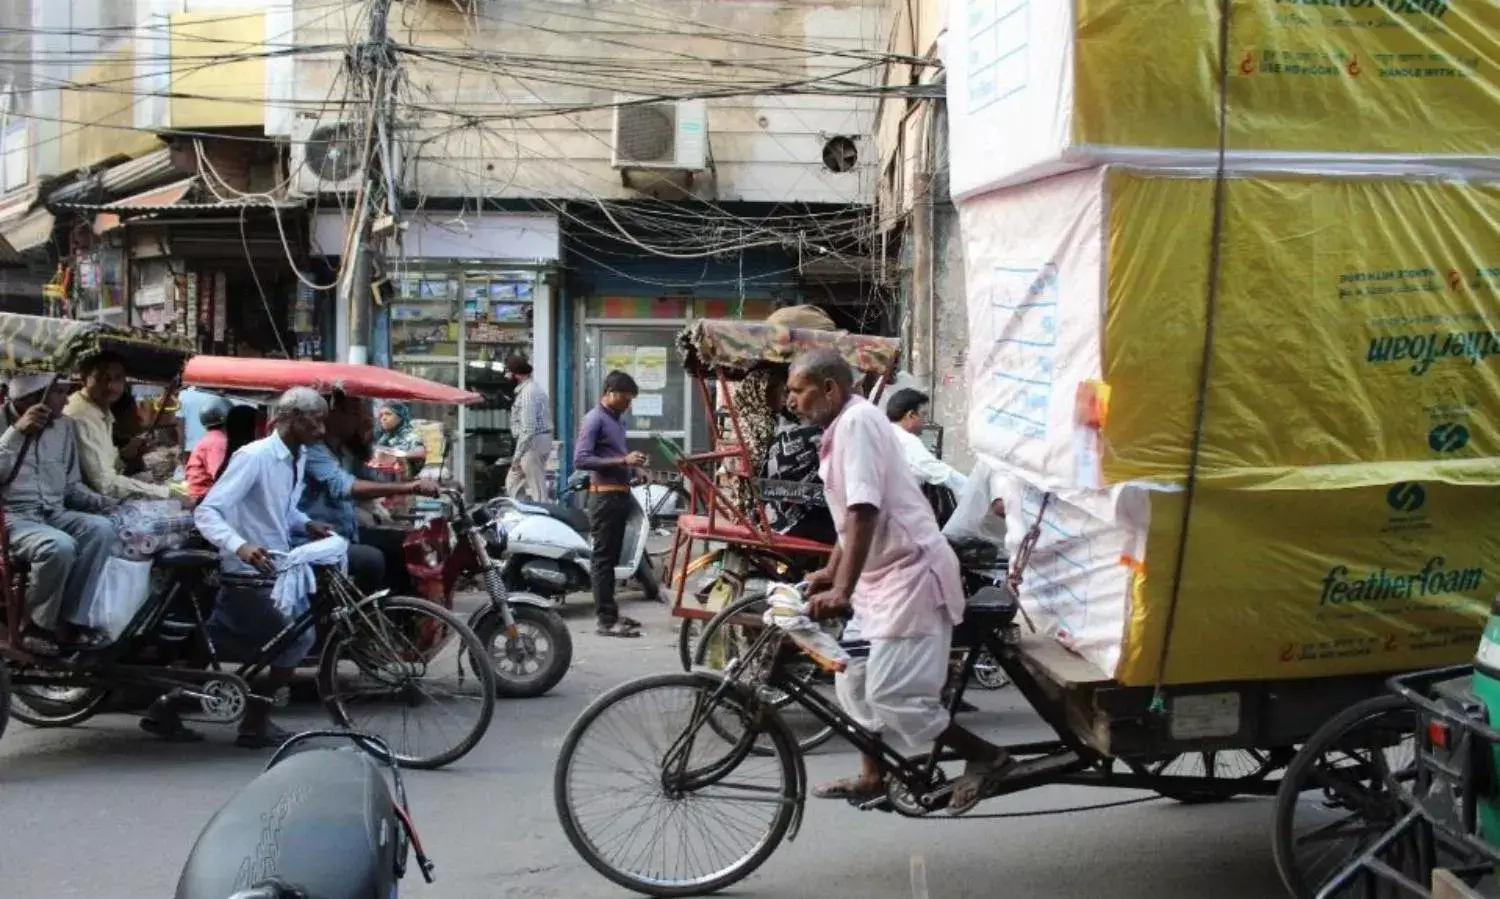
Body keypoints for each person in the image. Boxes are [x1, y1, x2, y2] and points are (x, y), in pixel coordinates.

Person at [786, 348, 1009, 816]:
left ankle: (987, 756)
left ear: (829, 388)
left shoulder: (858, 423)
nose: (791, 400)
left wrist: (841, 589)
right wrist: (831, 570)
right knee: (853, 674)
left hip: (910, 577)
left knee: (894, 696)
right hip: (880, 580)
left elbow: (864, 510)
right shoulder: (841, 427)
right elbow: (849, 519)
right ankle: (873, 776)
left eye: (797, 390)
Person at [175, 386, 338, 748]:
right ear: (292, 418)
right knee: (298, 637)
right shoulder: (255, 456)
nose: (322, 430)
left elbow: (282, 509)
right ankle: (254, 721)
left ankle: (164, 707)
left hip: (276, 563)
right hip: (246, 567)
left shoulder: (297, 457)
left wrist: (306, 523)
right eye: (315, 421)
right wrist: (241, 546)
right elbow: (208, 511)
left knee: (219, 640)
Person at [0, 373, 119, 655]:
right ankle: (37, 627)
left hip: (54, 512)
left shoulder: (64, 426)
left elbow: (71, 486)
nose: (66, 401)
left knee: (102, 530)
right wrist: (16, 434)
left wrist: (107, 503)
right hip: (12, 519)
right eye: (60, 393)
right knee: (58, 546)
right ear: (33, 398)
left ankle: (70, 621)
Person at [300, 392, 439, 594]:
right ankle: (363, 610)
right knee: (371, 560)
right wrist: (408, 487)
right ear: (334, 413)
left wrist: (372, 444)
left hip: (348, 533)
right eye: (355, 412)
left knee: (406, 543)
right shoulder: (313, 451)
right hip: (320, 536)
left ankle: (397, 608)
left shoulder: (345, 450)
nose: (362, 418)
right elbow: (346, 487)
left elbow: (379, 478)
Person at [573, 370, 647, 638]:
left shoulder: (617, 421)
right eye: (626, 398)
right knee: (603, 560)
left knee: (612, 559)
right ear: (611, 393)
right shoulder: (594, 419)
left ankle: (611, 612)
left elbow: (616, 455)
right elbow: (581, 459)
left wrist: (634, 469)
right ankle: (605, 621)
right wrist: (623, 461)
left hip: (619, 496)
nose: (629, 404)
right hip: (604, 498)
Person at [63, 352, 186, 502]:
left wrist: (125, 454)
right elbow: (105, 484)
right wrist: (166, 493)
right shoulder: (81, 415)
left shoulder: (100, 410)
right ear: (84, 378)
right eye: (102, 378)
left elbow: (106, 466)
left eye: (118, 378)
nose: (110, 386)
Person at [184, 401, 259, 500]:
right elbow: (222, 476)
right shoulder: (218, 442)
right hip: (205, 496)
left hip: (203, 494)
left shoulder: (211, 438)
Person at [505, 355, 553, 502]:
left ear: (517, 374)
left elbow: (528, 427)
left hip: (532, 443)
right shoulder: (530, 389)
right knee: (513, 482)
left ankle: (542, 512)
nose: (507, 376)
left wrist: (517, 456)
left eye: (509, 372)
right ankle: (525, 509)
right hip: (532, 442)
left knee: (538, 489)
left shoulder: (528, 393)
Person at [373, 401, 427, 479]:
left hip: (403, 480)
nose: (383, 418)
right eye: (381, 415)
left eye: (388, 414)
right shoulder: (383, 438)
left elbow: (420, 453)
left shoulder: (410, 436)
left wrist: (397, 455)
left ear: (400, 417)